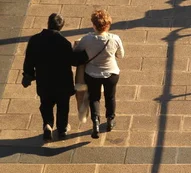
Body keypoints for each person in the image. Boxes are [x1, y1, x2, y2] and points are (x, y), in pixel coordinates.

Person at [22, 13, 82, 141]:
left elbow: (29, 61)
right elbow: (73, 61)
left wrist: (28, 75)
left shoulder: (35, 40)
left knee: (46, 104)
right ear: (61, 27)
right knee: (63, 106)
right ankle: (62, 129)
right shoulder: (64, 43)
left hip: (44, 81)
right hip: (62, 82)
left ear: (48, 23)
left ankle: (48, 124)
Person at [74, 9, 124, 139]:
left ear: (94, 25)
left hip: (92, 74)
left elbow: (77, 51)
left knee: (94, 97)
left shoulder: (87, 39)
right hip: (111, 73)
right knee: (110, 97)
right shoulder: (115, 39)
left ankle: (95, 121)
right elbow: (121, 55)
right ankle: (110, 120)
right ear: (108, 25)